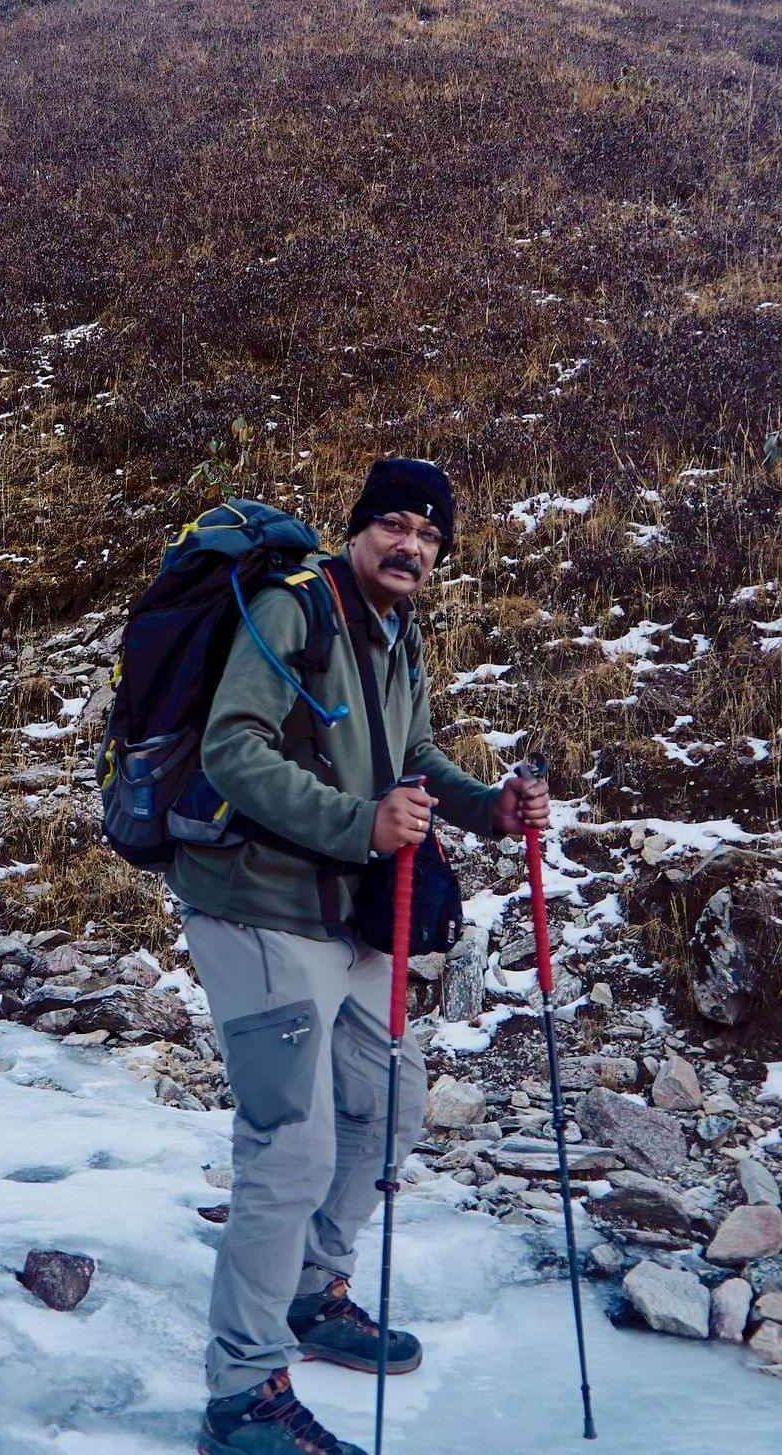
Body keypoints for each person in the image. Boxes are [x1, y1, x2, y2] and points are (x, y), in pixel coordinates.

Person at [171, 459, 550, 1455]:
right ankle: (241, 1394)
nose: (409, 545)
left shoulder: (397, 628)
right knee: (286, 1147)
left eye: (428, 534)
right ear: (354, 530)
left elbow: (407, 754)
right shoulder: (293, 606)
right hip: (256, 906)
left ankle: (310, 1289)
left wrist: (484, 806)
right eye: (390, 523)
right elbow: (230, 750)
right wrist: (358, 823)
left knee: (386, 1104)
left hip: (348, 915)